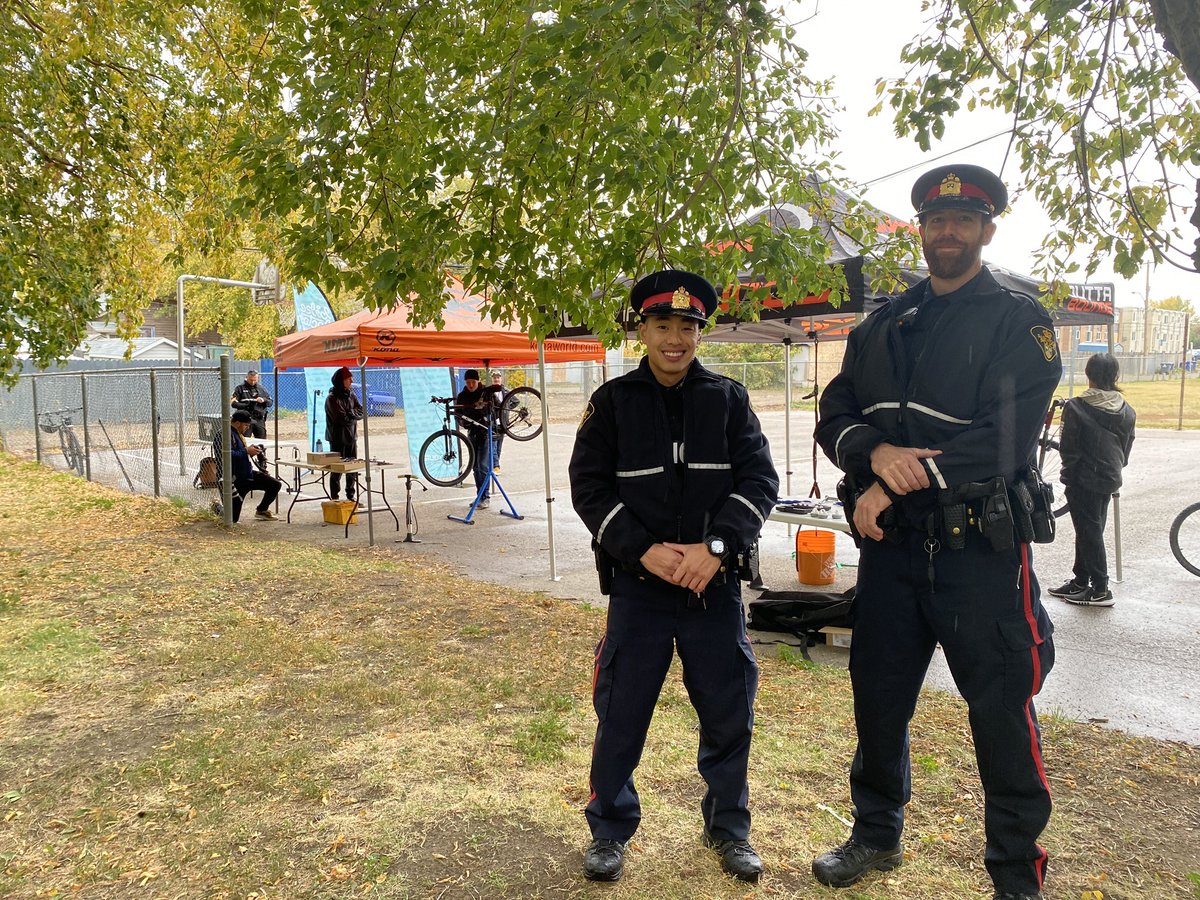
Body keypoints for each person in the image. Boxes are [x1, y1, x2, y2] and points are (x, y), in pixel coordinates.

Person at [812, 165, 1061, 900]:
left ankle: (1017, 875)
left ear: (987, 229)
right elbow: (836, 411)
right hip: (892, 557)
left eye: (963, 219)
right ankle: (876, 834)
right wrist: (871, 454)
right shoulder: (884, 324)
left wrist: (889, 480)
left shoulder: (1020, 318)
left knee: (1002, 711)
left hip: (979, 555)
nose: (947, 231)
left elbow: (1007, 438)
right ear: (920, 228)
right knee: (878, 698)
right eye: (936, 219)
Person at [569, 270, 779, 884]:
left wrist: (715, 547)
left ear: (698, 334)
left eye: (687, 327)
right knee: (623, 712)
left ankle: (729, 829)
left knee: (728, 712)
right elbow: (589, 488)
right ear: (642, 329)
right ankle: (609, 828)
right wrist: (645, 552)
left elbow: (759, 482)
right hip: (641, 590)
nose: (675, 339)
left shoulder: (729, 399)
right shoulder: (611, 404)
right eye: (663, 325)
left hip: (711, 589)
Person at [1047, 353, 1135, 608]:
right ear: (1115, 376)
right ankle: (1080, 579)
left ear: (1088, 374)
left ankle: (1100, 588)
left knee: (1089, 531)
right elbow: (1127, 446)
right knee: (1089, 529)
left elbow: (1068, 448)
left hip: (1084, 477)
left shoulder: (1076, 406)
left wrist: (1068, 477)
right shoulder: (1127, 410)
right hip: (1110, 475)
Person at [213, 410, 282, 522]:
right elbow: (227, 455)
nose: (247, 428)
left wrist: (252, 449)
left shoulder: (237, 434)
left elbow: (239, 451)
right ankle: (217, 507)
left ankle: (262, 510)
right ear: (238, 423)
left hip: (247, 475)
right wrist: (246, 451)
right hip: (232, 479)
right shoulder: (224, 435)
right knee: (232, 519)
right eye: (246, 425)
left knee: (274, 484)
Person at [454, 369, 501, 509]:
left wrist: (489, 417)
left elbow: (500, 409)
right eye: (468, 382)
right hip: (472, 433)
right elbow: (457, 413)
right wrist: (463, 422)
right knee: (475, 467)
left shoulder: (487, 392)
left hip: (486, 433)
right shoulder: (462, 396)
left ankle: (485, 497)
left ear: (478, 381)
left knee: (483, 465)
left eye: (473, 382)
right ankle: (480, 496)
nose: (470, 385)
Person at [324, 366, 363, 502]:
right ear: (341, 381)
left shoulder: (351, 394)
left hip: (352, 437)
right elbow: (341, 419)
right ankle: (335, 497)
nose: (351, 381)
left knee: (352, 468)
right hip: (337, 439)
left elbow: (361, 411)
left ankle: (350, 496)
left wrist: (351, 414)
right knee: (337, 469)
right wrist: (352, 415)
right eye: (348, 379)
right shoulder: (331, 398)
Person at [231, 369, 273, 439]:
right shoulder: (240, 388)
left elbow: (270, 402)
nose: (253, 382)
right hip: (245, 419)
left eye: (255, 380)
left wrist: (263, 400)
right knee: (245, 440)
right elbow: (233, 403)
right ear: (246, 377)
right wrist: (247, 405)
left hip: (259, 418)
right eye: (251, 380)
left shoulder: (261, 389)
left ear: (258, 378)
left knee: (261, 440)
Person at [489, 371, 507, 474]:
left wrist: (505, 409)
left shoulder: (505, 391)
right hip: (493, 423)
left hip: (502, 423)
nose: (496, 379)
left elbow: (515, 401)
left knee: (499, 447)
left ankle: (495, 465)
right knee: (493, 446)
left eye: (498, 377)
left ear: (501, 379)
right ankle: (496, 465)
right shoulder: (490, 392)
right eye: (495, 378)